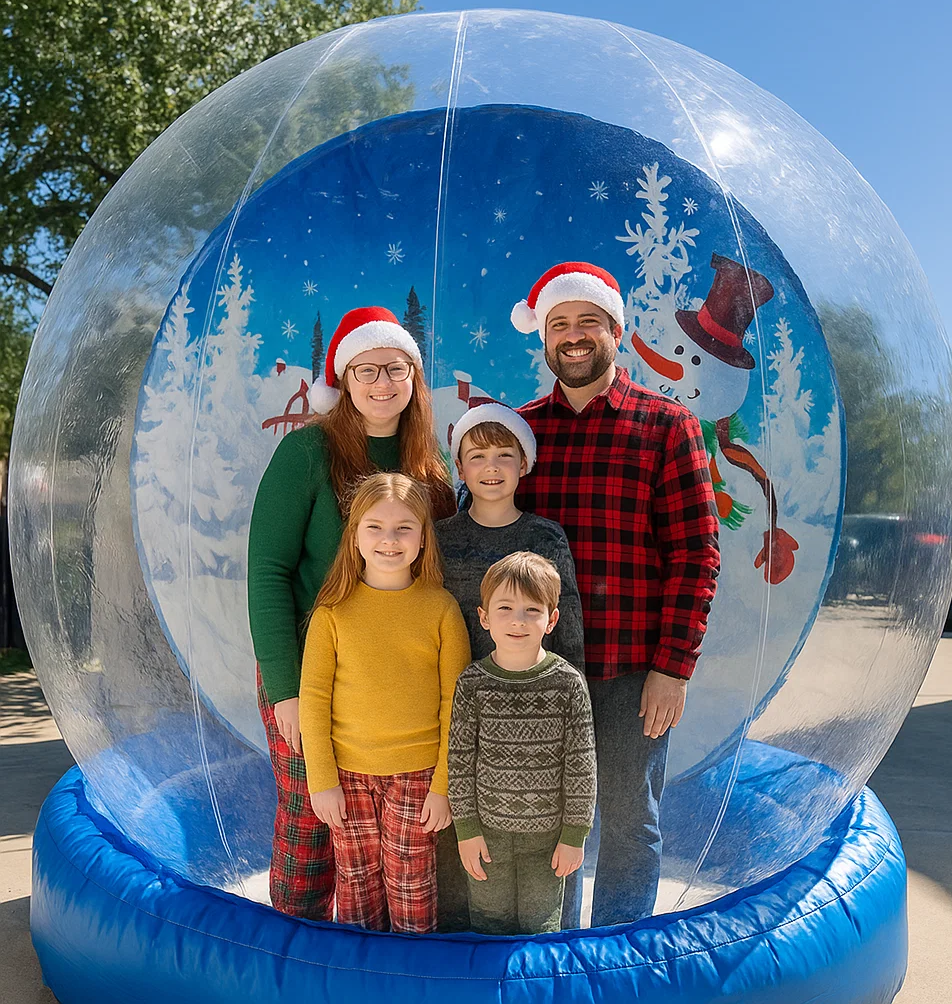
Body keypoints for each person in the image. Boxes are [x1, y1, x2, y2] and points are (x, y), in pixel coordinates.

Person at [511, 261, 721, 927]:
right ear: (544, 339)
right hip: (541, 673)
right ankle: (556, 961)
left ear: (616, 333)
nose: (573, 336)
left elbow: (696, 554)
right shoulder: (518, 434)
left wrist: (672, 669)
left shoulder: (666, 425)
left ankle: (618, 964)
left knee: (631, 824)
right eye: (559, 325)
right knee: (550, 828)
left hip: (634, 672)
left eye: (588, 323)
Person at [247, 306, 456, 920]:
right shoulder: (308, 453)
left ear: (414, 376)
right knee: (313, 817)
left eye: (394, 367)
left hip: (396, 684)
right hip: (313, 673)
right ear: (344, 380)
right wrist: (285, 689)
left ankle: (391, 956)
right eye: (365, 370)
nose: (381, 383)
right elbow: (268, 571)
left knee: (395, 835)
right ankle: (299, 949)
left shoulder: (428, 465)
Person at [298, 472, 470, 933]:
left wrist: (444, 785)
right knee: (356, 885)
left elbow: (457, 705)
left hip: (417, 775)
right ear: (354, 536)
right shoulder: (332, 613)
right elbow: (313, 700)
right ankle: (362, 980)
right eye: (374, 526)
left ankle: (412, 979)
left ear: (422, 540)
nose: (389, 540)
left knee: (411, 881)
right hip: (347, 776)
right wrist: (322, 780)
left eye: (404, 528)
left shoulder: (441, 609)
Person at [447, 552, 596, 935]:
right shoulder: (472, 684)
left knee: (541, 927)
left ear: (552, 620)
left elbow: (581, 766)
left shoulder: (567, 684)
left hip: (546, 844)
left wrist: (574, 836)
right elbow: (460, 762)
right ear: (484, 617)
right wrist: (466, 830)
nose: (517, 619)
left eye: (532, 610)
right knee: (488, 923)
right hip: (487, 836)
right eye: (505, 607)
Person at [436, 403, 584, 671]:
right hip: (457, 693)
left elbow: (568, 631)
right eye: (477, 456)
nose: (491, 467)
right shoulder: (440, 538)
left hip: (534, 692)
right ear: (459, 468)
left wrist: (573, 692)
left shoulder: (546, 538)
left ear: (523, 463)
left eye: (504, 455)